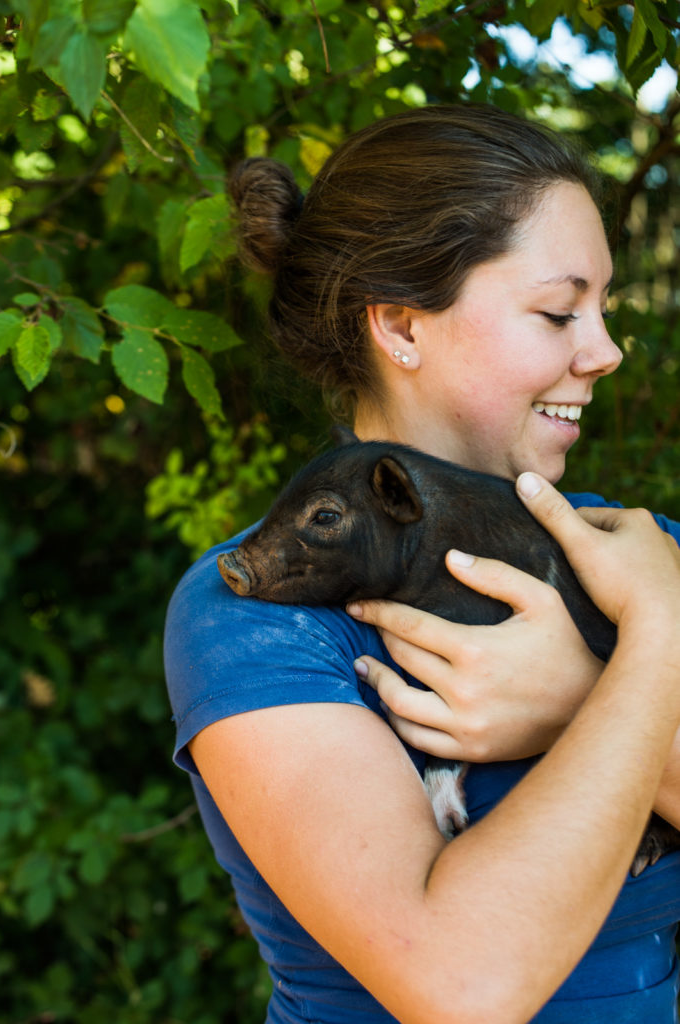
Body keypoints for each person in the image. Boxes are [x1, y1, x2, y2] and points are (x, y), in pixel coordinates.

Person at [163, 105, 680, 1023]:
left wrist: (578, 696)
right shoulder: (254, 614)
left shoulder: (645, 558)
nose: (603, 353)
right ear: (401, 324)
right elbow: (462, 987)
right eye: (560, 311)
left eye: (603, 310)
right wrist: (651, 656)